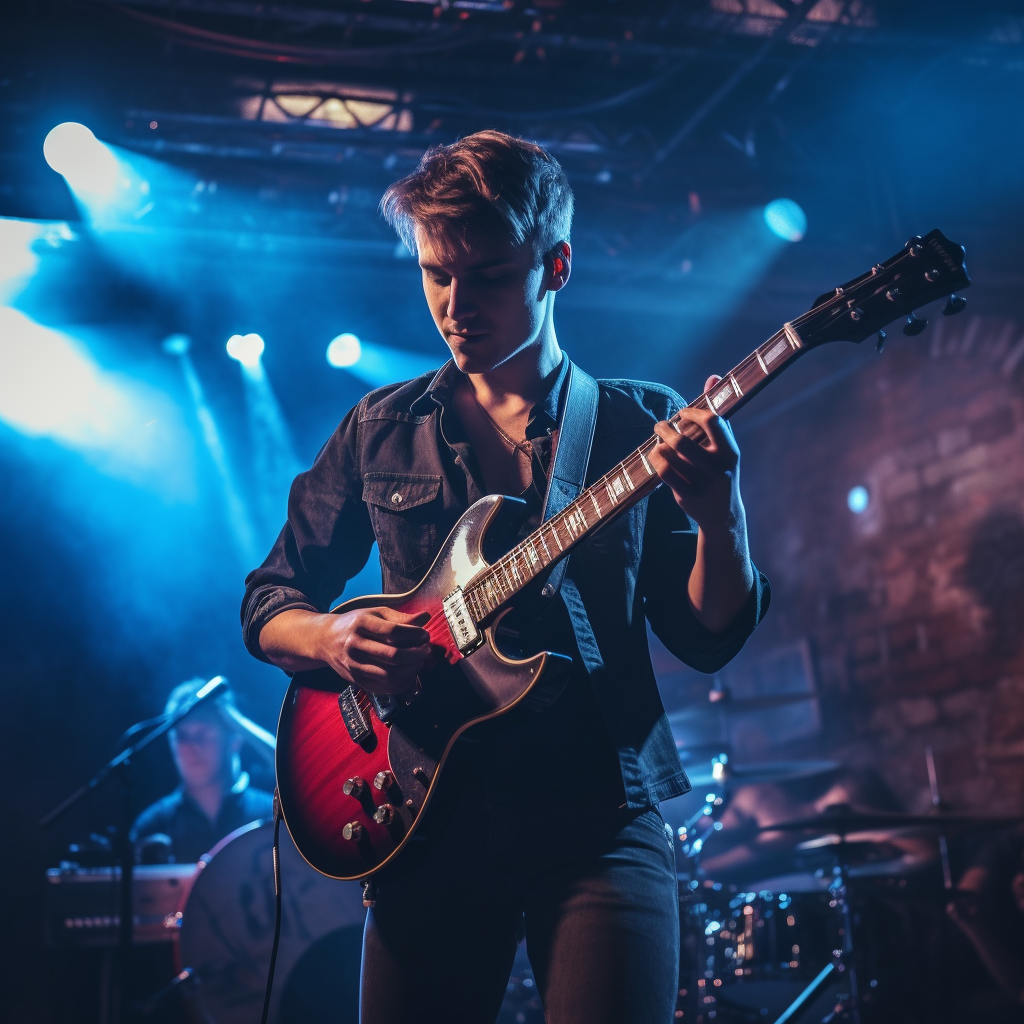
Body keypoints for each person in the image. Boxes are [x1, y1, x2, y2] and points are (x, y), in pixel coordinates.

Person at [241, 130, 769, 1024]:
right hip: (423, 814)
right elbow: (269, 600)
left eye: (485, 276)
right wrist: (331, 637)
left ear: (555, 266)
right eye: (435, 274)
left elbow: (708, 635)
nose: (455, 305)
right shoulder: (380, 426)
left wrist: (721, 510)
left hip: (599, 813)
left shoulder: (639, 424)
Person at [132, 678, 274, 864]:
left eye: (202, 734)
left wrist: (231, 716)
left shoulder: (270, 817)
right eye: (182, 736)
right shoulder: (152, 826)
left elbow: (289, 761)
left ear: (235, 740)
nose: (192, 746)